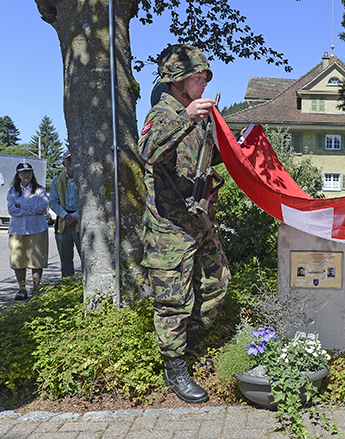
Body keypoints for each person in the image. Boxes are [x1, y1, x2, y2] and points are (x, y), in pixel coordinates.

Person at [137, 44, 231, 404]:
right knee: (172, 300)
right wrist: (187, 117)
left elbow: (212, 156)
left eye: (206, 75)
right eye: (198, 75)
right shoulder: (162, 113)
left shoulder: (200, 115)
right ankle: (175, 368)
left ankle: (189, 345)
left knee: (216, 283)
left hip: (198, 219)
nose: (204, 81)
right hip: (168, 229)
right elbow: (149, 152)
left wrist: (240, 147)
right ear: (177, 80)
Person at [7, 162, 49, 301]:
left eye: (29, 172)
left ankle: (36, 288)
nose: (27, 175)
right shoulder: (12, 191)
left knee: (37, 260)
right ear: (18, 175)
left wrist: (23, 206)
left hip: (37, 229)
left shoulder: (40, 190)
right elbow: (12, 210)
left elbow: (42, 208)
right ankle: (22, 289)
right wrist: (32, 209)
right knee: (18, 260)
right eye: (23, 172)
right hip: (17, 230)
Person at [49, 151, 82, 278]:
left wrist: (76, 216)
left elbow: (89, 201)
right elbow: (52, 202)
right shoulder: (57, 181)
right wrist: (66, 216)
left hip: (80, 221)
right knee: (65, 260)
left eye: (73, 159)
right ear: (63, 163)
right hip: (63, 222)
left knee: (87, 258)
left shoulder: (84, 178)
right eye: (68, 160)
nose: (71, 162)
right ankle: (67, 286)